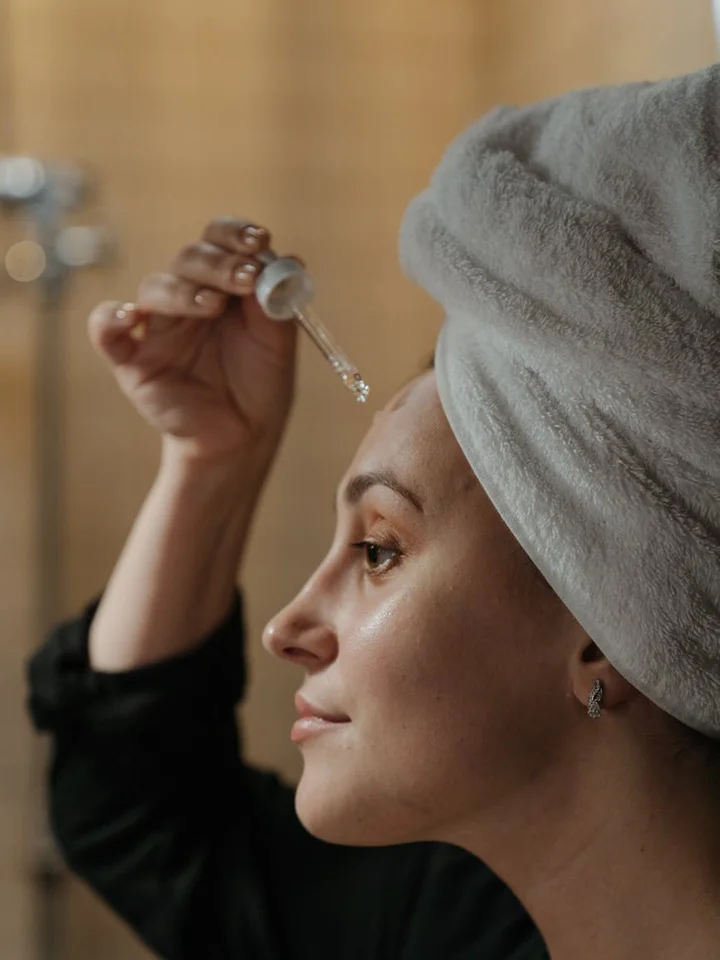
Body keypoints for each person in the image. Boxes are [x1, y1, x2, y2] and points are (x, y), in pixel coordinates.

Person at [28, 62, 720, 960]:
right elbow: (145, 817)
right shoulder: (451, 923)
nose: (285, 628)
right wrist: (211, 460)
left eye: (380, 550)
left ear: (604, 623)